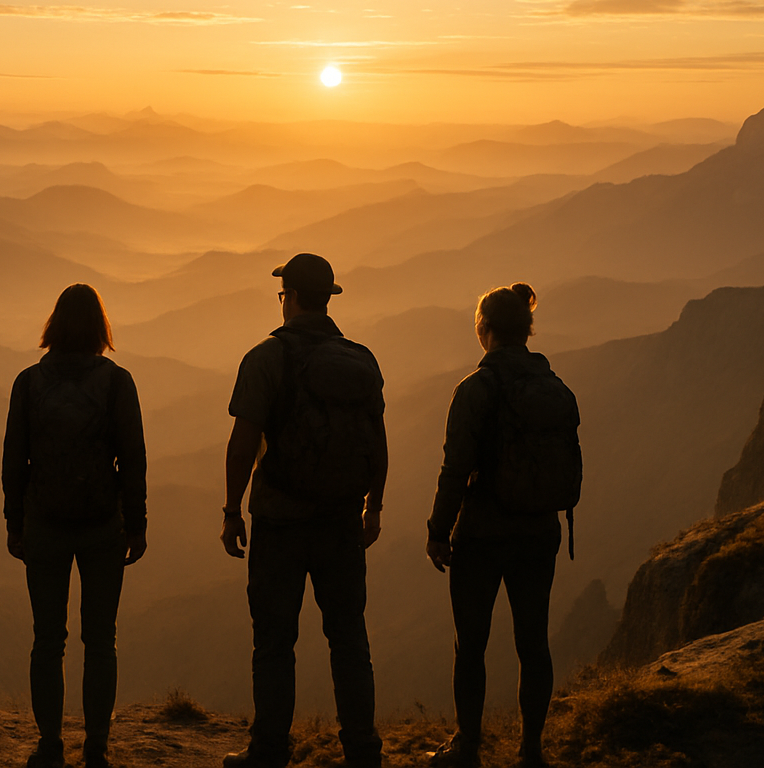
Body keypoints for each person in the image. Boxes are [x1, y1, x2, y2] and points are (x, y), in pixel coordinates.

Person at [219, 253, 387, 768]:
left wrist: (231, 510)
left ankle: (268, 751)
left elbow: (244, 441)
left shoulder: (267, 358)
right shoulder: (360, 359)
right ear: (329, 297)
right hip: (340, 520)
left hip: (280, 519)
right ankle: (362, 750)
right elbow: (377, 442)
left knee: (274, 641)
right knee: (349, 639)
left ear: (289, 296)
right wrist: (373, 508)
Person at [425, 283, 579, 768]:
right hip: (539, 530)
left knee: (470, 644)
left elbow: (455, 468)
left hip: (483, 533)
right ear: (527, 331)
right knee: (533, 642)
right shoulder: (554, 386)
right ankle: (531, 751)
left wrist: (437, 529)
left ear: (484, 330)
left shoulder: (475, 390)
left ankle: (467, 746)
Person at [3, 284, 148, 768]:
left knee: (47, 639)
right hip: (103, 522)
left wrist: (15, 521)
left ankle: (49, 743)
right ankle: (96, 745)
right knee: (100, 639)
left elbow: (13, 459)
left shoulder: (28, 381)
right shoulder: (117, 381)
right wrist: (136, 523)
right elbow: (132, 459)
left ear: (54, 325)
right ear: (100, 328)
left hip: (44, 521)